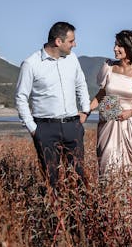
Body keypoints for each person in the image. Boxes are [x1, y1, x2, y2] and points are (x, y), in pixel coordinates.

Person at [15, 21, 91, 191]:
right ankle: (55, 216)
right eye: (71, 41)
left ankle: (79, 215)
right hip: (45, 129)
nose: (75, 44)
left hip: (73, 126)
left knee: (78, 176)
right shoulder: (31, 63)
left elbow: (81, 84)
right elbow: (21, 98)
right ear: (58, 41)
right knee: (51, 179)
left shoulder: (72, 59)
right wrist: (33, 129)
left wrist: (85, 110)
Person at [89, 30, 132, 181]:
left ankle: (131, 201)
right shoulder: (108, 67)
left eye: (119, 45)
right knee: (107, 162)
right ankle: (109, 201)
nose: (115, 48)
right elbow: (102, 95)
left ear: (129, 47)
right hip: (107, 119)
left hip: (128, 121)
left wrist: (131, 112)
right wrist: (86, 110)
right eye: (115, 44)